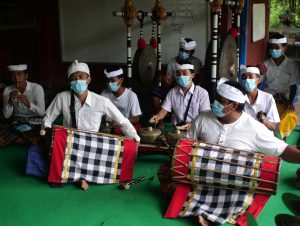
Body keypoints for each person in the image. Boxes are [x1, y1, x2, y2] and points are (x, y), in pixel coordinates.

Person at [186, 80, 300, 225]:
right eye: (216, 98)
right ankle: (207, 211)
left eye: (220, 101)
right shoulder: (203, 117)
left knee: (243, 195)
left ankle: (205, 212)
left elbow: (282, 149)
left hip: (233, 184)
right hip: (203, 177)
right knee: (174, 179)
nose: (215, 103)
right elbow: (186, 144)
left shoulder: (254, 128)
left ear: (234, 105)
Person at [41, 60, 140, 190]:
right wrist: (48, 133)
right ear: (69, 82)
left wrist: (135, 139)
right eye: (73, 78)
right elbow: (47, 120)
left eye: (81, 77)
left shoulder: (102, 101)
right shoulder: (62, 97)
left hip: (92, 146)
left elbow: (122, 121)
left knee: (118, 150)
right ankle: (81, 176)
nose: (77, 81)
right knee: (39, 151)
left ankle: (76, 175)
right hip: (69, 146)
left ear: (88, 79)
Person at [150, 62, 210, 129]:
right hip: (177, 129)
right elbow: (164, 110)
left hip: (195, 129)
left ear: (193, 75)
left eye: (184, 73)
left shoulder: (202, 93)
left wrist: (192, 125)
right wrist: (157, 116)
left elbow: (205, 117)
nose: (181, 76)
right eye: (178, 74)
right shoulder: (172, 92)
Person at [2, 64, 45, 144]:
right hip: (18, 122)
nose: (16, 78)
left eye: (19, 74)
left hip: (36, 122)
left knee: (44, 131)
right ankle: (30, 139)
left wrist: (28, 104)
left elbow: (42, 112)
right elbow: (6, 116)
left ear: (26, 76)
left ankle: (23, 138)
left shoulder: (37, 88)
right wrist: (10, 102)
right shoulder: (8, 90)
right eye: (13, 75)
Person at [263, 34, 299, 111]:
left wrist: (290, 103)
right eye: (271, 47)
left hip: (285, 99)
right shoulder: (265, 64)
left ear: (284, 48)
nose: (273, 50)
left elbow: (293, 86)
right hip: (268, 97)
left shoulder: (292, 65)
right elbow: (258, 81)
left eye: (277, 47)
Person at [241, 66, 280, 131]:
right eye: (244, 77)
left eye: (250, 77)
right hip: (245, 136)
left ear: (258, 80)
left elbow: (274, 127)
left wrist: (264, 120)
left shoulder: (267, 98)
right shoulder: (239, 98)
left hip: (263, 137)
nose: (247, 80)